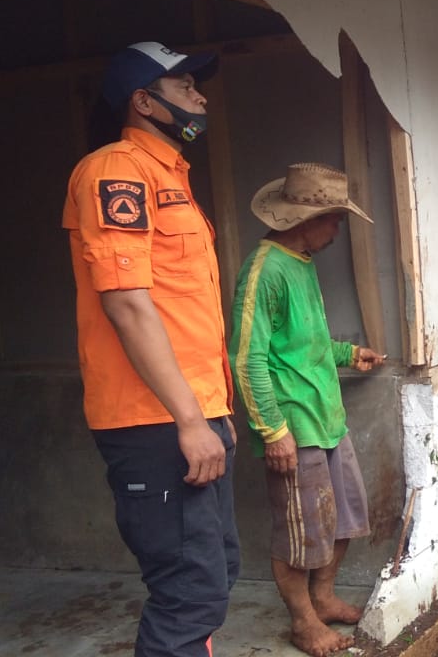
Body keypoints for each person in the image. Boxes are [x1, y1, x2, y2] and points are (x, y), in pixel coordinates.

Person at [61, 41, 239, 657]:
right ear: (143, 100)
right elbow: (127, 303)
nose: (200, 96)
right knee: (188, 594)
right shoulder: (116, 171)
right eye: (185, 85)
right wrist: (191, 421)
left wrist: (212, 418)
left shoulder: (170, 177)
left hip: (196, 413)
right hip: (159, 421)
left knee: (212, 582)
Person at [230, 163, 387, 657]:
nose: (337, 231)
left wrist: (348, 354)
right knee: (300, 537)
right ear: (304, 218)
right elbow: (247, 355)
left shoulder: (300, 263)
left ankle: (322, 598)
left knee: (342, 519)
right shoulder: (264, 269)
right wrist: (272, 429)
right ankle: (303, 622)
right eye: (334, 220)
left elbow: (305, 343)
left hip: (328, 420)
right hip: (295, 425)